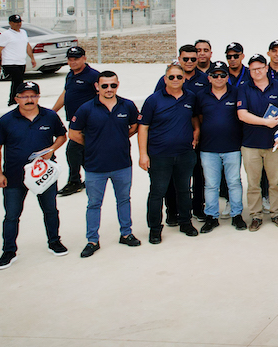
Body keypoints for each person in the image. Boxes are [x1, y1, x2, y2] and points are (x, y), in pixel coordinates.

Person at [0, 81, 68, 270]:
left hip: (44, 174)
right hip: (14, 176)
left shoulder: (50, 116)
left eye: (33, 95)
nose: (29, 100)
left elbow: (62, 136)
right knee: (12, 215)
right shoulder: (6, 120)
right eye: (24, 96)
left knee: (50, 210)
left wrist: (52, 148)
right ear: (16, 98)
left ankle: (54, 242)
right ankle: (8, 251)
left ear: (39, 97)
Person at [68, 70, 141, 256]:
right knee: (94, 204)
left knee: (124, 200)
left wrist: (122, 137)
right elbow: (73, 133)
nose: (109, 89)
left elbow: (135, 126)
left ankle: (126, 234)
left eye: (113, 85)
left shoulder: (127, 105)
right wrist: (93, 144)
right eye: (105, 85)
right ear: (97, 86)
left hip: (122, 164)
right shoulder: (86, 108)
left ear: (118, 85)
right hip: (95, 167)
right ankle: (92, 240)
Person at [139, 64, 202, 243]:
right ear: (165, 79)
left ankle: (185, 222)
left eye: (179, 77)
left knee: (184, 190)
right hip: (159, 155)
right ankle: (155, 229)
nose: (175, 80)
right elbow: (143, 128)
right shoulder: (153, 100)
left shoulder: (190, 97)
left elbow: (194, 117)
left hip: (184, 154)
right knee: (157, 192)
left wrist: (196, 130)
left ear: (184, 79)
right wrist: (143, 154)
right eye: (171, 77)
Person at [236, 55, 278, 231]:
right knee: (253, 183)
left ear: (266, 68)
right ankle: (256, 216)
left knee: (275, 182)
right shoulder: (244, 88)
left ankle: (276, 213)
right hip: (251, 144)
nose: (257, 72)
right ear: (249, 71)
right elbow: (242, 114)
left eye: (260, 68)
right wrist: (265, 122)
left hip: (274, 144)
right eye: (253, 69)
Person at [196, 61, 247, 232]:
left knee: (234, 182)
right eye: (215, 75)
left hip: (232, 147)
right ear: (209, 78)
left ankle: (237, 215)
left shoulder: (237, 93)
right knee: (211, 184)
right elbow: (198, 117)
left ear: (227, 77)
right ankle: (211, 216)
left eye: (223, 75)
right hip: (208, 148)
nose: (219, 78)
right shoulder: (201, 95)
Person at [54, 45, 100, 197]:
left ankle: (74, 181)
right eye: (70, 59)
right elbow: (66, 93)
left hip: (88, 122)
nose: (73, 62)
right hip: (74, 120)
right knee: (84, 151)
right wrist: (52, 112)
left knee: (72, 150)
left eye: (76, 59)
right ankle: (95, 176)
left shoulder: (93, 76)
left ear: (84, 58)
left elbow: (103, 97)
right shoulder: (70, 75)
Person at [0, 14, 35, 106]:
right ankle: (13, 101)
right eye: (16, 22)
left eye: (19, 22)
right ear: (10, 23)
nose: (18, 24)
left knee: (18, 81)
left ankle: (16, 99)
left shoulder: (23, 32)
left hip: (21, 62)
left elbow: (27, 46)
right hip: (10, 62)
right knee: (18, 81)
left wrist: (32, 58)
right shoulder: (6, 35)